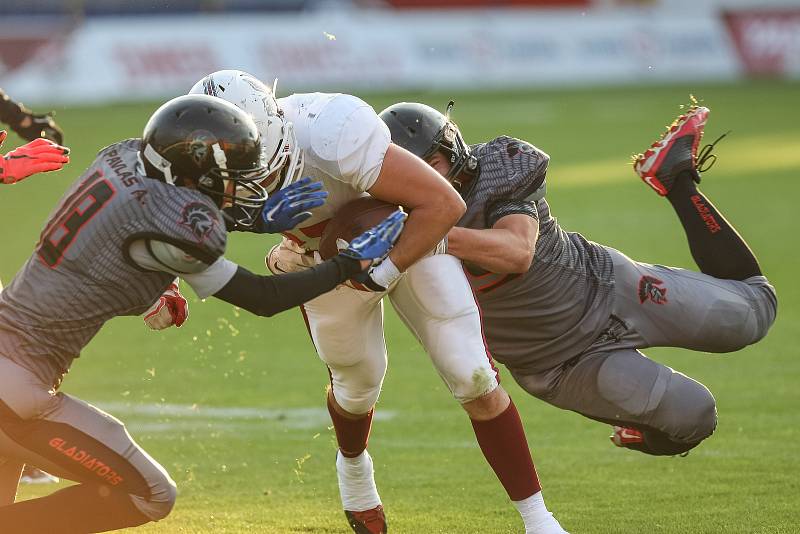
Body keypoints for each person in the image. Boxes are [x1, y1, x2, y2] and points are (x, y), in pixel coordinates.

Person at [0, 93, 405, 533]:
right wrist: (346, 264)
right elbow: (262, 297)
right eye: (230, 177)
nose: (239, 186)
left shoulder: (120, 158)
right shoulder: (175, 225)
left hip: (12, 362)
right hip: (16, 387)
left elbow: (134, 224)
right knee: (153, 495)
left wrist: (250, 218)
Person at [191, 70, 567, 534]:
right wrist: (262, 231)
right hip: (320, 257)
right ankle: (353, 466)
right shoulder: (192, 154)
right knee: (357, 383)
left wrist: (385, 271)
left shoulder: (331, 128)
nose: (247, 169)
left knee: (472, 374)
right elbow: (171, 222)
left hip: (407, 234)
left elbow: (443, 205)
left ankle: (539, 521)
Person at [379, 100, 777, 457]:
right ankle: (645, 429)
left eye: (429, 167)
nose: (423, 184)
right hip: (560, 362)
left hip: (608, 285)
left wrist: (427, 233)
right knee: (693, 415)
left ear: (454, 150)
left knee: (752, 316)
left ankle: (673, 177)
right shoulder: (378, 219)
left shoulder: (499, 167)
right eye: (409, 175)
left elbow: (517, 252)